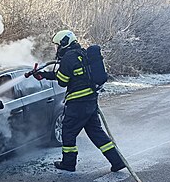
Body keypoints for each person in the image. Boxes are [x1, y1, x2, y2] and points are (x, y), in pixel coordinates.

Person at [34, 30, 126, 172]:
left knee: (68, 132)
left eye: (58, 45)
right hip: (90, 101)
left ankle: (68, 163)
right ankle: (117, 161)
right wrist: (44, 75)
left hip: (78, 103)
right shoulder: (81, 54)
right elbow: (70, 75)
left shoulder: (68, 58)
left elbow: (63, 81)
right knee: (96, 133)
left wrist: (49, 75)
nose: (56, 49)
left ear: (64, 43)